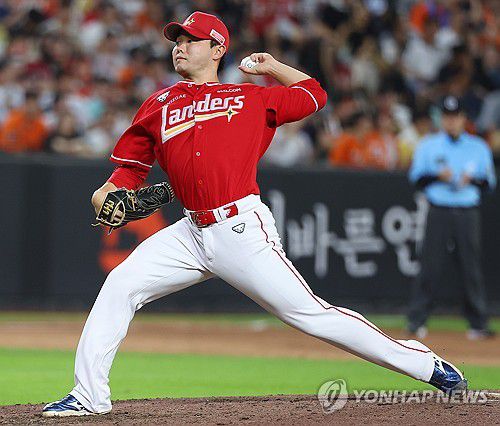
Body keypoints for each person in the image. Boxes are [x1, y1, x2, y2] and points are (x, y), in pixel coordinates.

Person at [42, 11, 467, 418]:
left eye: (191, 40)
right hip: (189, 231)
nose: (180, 47)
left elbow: (314, 95)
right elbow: (128, 171)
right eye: (177, 40)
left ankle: (423, 364)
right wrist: (105, 192)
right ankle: (88, 396)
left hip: (239, 228)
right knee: (120, 284)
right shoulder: (159, 104)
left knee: (310, 315)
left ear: (217, 49)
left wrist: (274, 67)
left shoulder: (248, 97)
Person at [407, 95, 497, 340]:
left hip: (467, 212)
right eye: (447, 117)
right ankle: (416, 321)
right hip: (439, 210)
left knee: (470, 267)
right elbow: (416, 179)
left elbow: (488, 183)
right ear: (442, 119)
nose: (451, 121)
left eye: (455, 116)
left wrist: (472, 180)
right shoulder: (428, 145)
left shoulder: (478, 147)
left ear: (463, 118)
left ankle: (478, 323)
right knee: (430, 266)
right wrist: (438, 176)